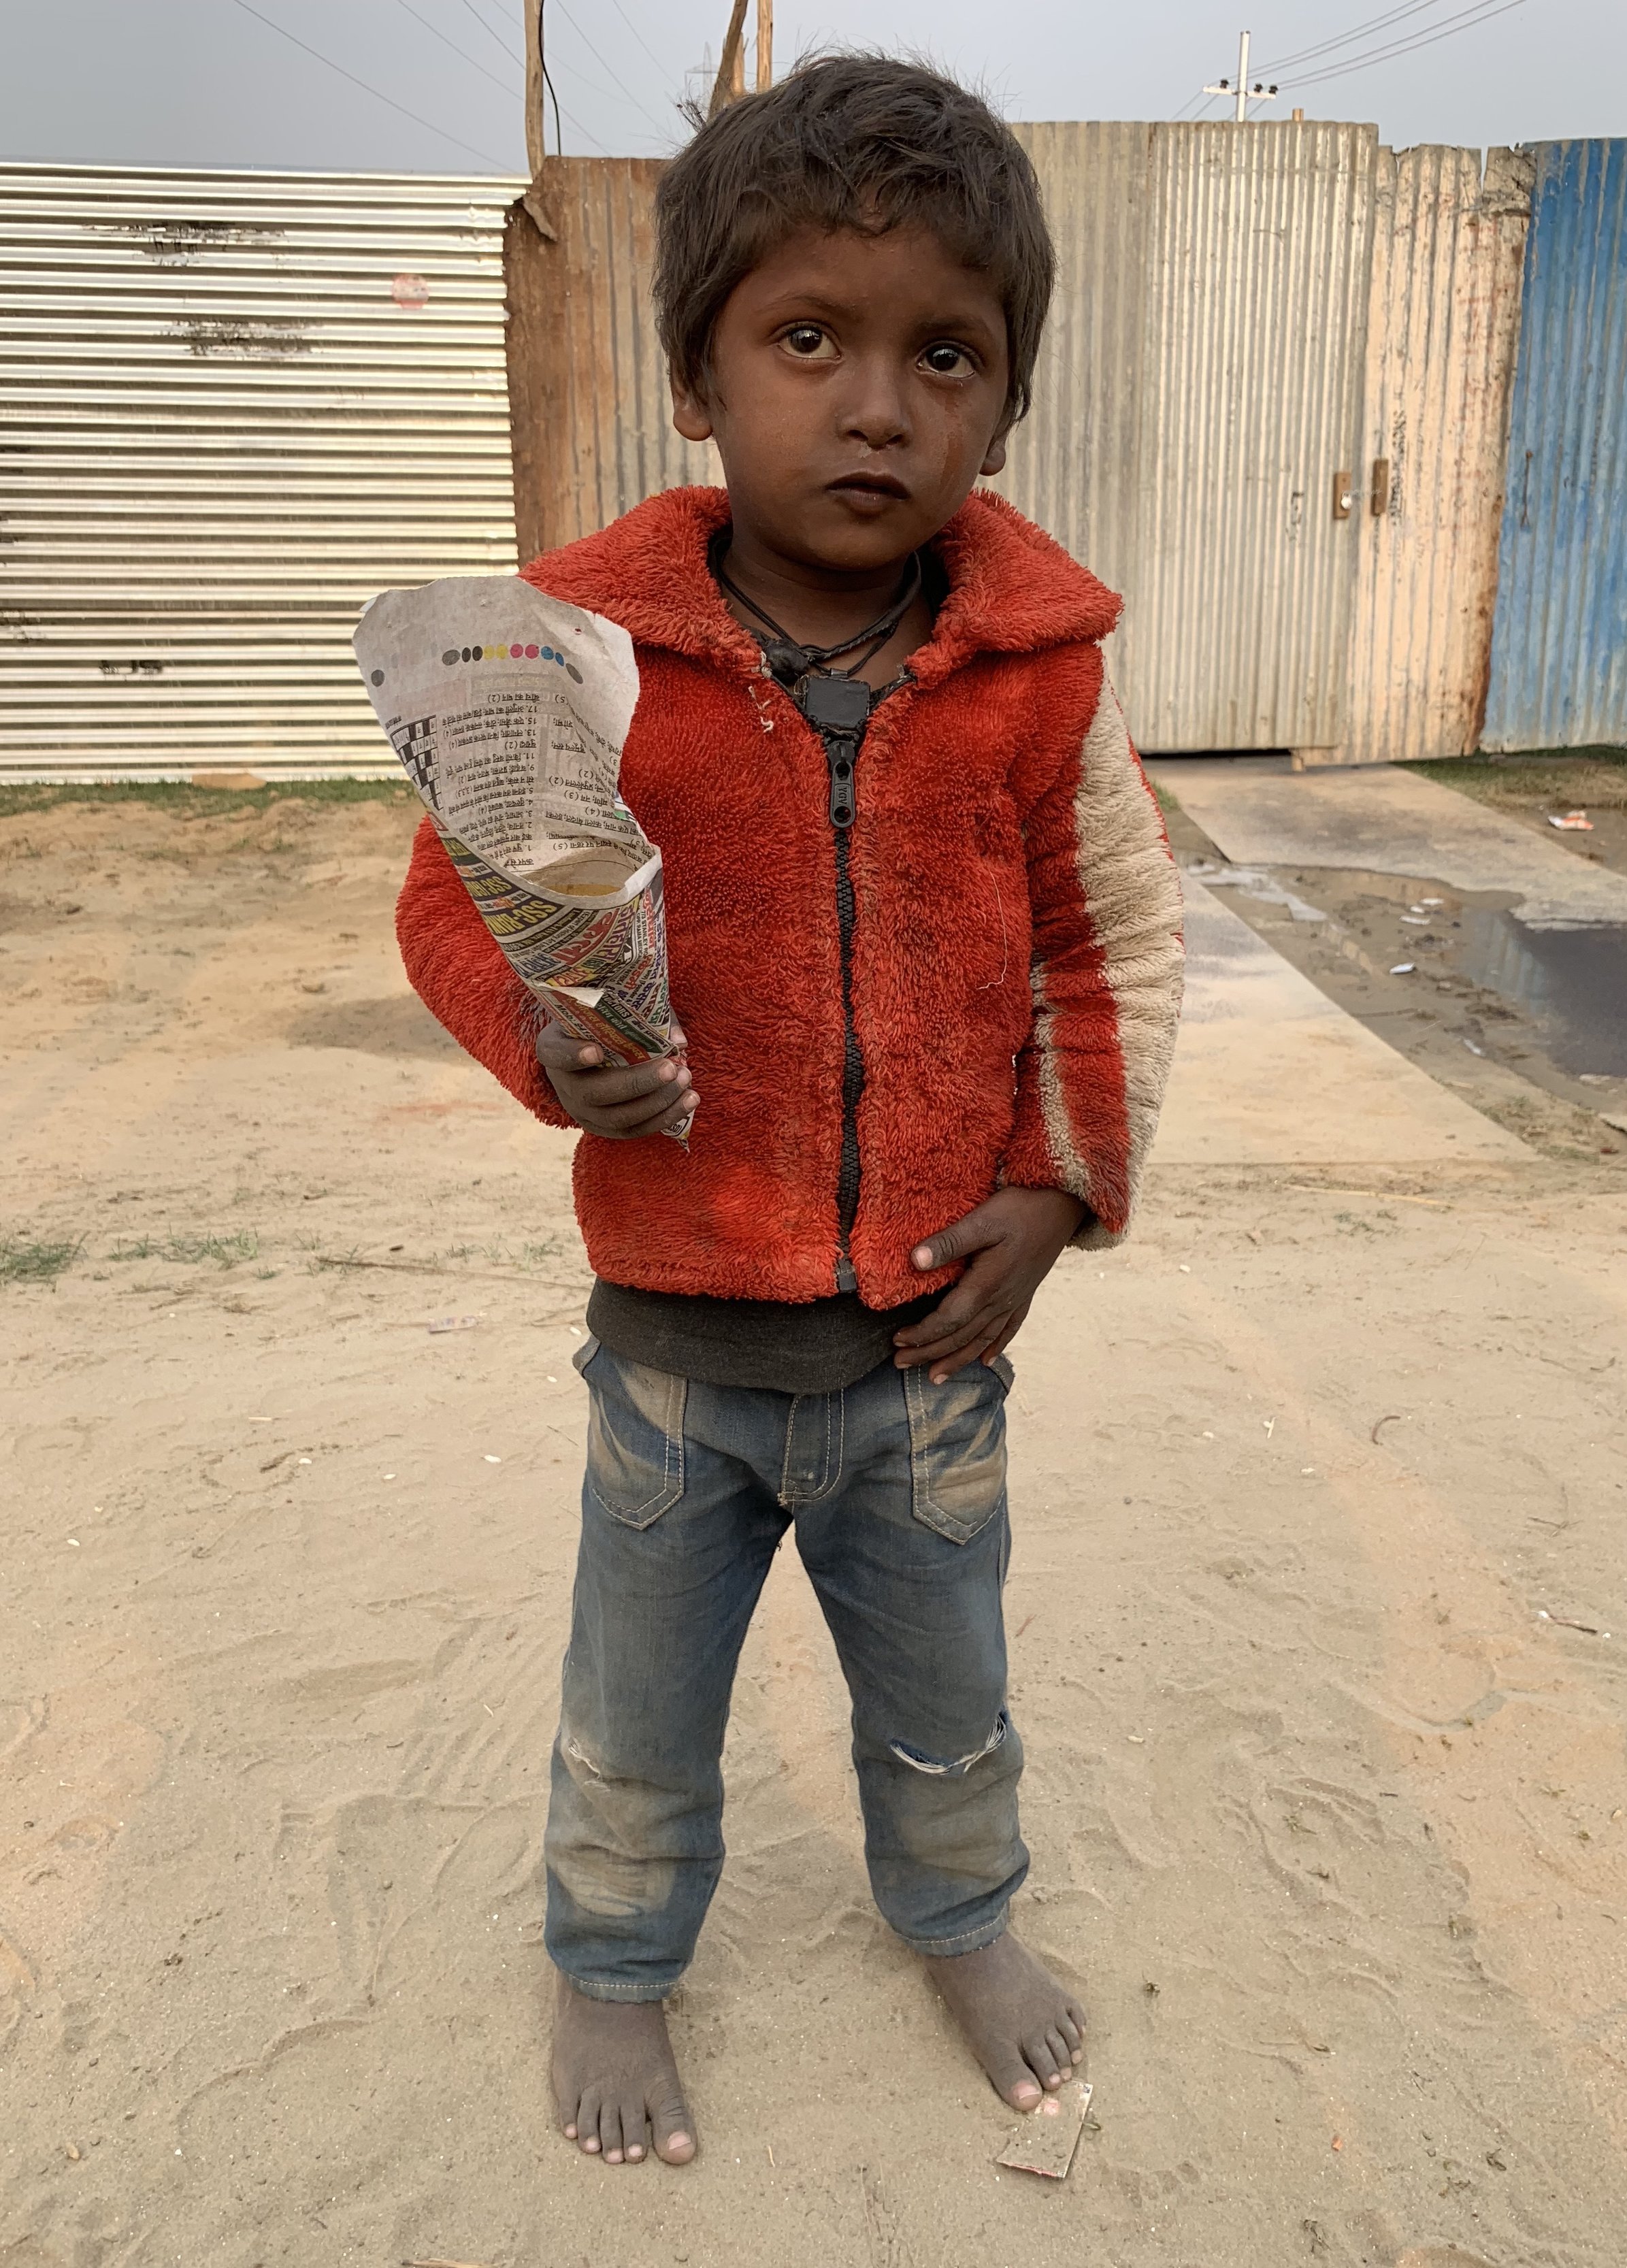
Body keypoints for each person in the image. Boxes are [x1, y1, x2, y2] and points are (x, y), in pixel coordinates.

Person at [396, 52, 1184, 2169]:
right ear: (695, 377)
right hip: (675, 1357)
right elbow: (459, 906)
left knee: (946, 1715)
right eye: (808, 338)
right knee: (633, 1729)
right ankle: (611, 1959)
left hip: (926, 1363)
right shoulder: (577, 659)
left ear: (1003, 406)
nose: (876, 405)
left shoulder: (1038, 673)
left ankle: (960, 1921)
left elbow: (1103, 949)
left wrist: (1057, 1192)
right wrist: (543, 1042)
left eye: (947, 353)